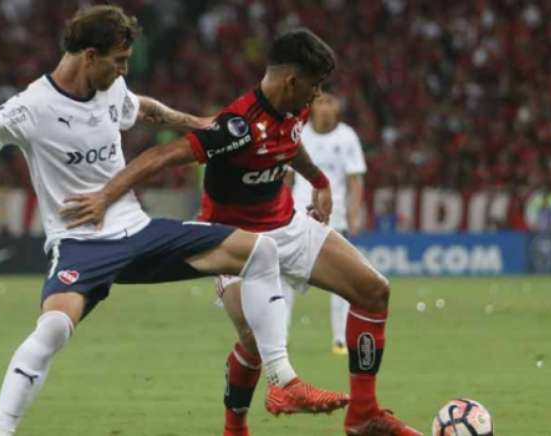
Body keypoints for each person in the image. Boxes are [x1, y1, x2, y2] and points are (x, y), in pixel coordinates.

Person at [0, 6, 338, 436]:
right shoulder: (34, 106)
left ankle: (282, 381)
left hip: (138, 231)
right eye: (118, 60)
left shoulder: (111, 88)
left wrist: (198, 123)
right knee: (52, 329)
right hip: (81, 243)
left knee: (261, 250)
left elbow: (143, 108)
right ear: (89, 55)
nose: (125, 69)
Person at [62, 28, 422, 436]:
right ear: (291, 80)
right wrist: (104, 198)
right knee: (254, 338)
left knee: (374, 291)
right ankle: (236, 428)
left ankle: (363, 415)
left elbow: (290, 143)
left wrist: (319, 180)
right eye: (314, 86)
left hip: (287, 225)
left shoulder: (293, 108)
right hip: (232, 243)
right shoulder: (237, 127)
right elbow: (160, 156)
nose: (317, 96)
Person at [287, 91, 367, 356]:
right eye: (319, 102)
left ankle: (340, 340)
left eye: (329, 101)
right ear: (311, 106)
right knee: (285, 277)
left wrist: (355, 214)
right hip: (298, 215)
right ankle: (280, 337)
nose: (324, 107)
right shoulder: (297, 133)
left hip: (336, 216)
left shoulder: (347, 137)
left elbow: (355, 180)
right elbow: (285, 176)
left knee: (342, 278)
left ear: (337, 107)